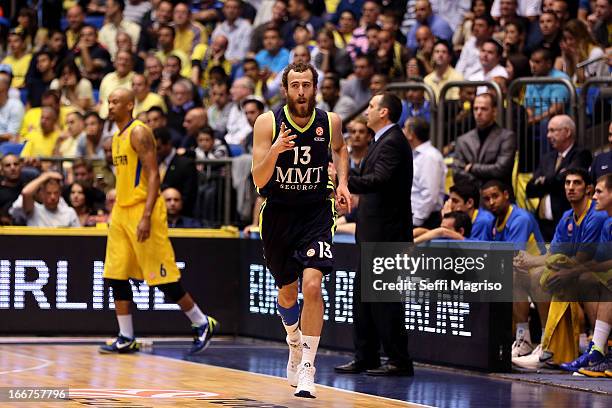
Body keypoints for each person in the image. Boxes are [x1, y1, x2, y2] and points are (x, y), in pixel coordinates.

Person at [251, 62, 351, 398]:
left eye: (307, 85)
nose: (301, 92)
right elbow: (259, 179)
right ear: (285, 89)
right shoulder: (267, 123)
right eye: (295, 85)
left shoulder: (330, 121)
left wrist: (344, 183)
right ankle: (293, 340)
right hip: (279, 214)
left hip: (316, 212)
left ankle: (308, 364)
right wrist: (277, 149)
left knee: (312, 285)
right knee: (288, 293)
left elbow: (340, 148)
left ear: (315, 87)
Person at [99, 88, 217, 355]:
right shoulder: (116, 137)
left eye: (116, 101)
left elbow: (153, 175)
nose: (111, 105)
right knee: (115, 274)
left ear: (130, 105)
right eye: (109, 101)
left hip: (144, 208)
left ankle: (201, 322)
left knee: (161, 276)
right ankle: (126, 335)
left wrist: (147, 215)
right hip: (121, 211)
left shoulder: (139, 132)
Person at [336, 92, 414, 377]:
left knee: (385, 303)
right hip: (374, 235)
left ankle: (399, 360)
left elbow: (379, 181)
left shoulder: (392, 142)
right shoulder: (381, 141)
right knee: (364, 302)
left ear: (384, 113)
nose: (366, 110)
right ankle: (366, 356)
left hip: (388, 236)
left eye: (370, 106)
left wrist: (344, 181)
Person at [526, 115, 593, 240]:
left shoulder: (580, 154)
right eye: (548, 131)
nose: (548, 135)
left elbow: (563, 182)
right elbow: (530, 189)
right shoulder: (547, 158)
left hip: (566, 221)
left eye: (552, 130)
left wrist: (543, 180)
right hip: (542, 224)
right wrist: (555, 178)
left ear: (567, 132)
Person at [452, 93, 516, 189]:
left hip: (498, 196)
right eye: (475, 109)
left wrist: (472, 168)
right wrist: (480, 184)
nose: (478, 113)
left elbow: (500, 170)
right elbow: (457, 172)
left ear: (494, 112)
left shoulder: (507, 137)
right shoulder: (463, 140)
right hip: (471, 195)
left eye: (484, 109)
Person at [404, 117, 446, 229]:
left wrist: (416, 221)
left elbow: (430, 194)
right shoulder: (414, 155)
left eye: (405, 129)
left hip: (424, 220)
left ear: (411, 134)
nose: (402, 132)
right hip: (413, 217)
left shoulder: (430, 157)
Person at [10, 172, 80, 227]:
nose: (53, 197)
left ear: (60, 193)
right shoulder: (34, 210)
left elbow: (79, 238)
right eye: (48, 193)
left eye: (56, 193)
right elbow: (26, 193)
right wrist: (47, 176)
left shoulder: (69, 212)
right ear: (42, 193)